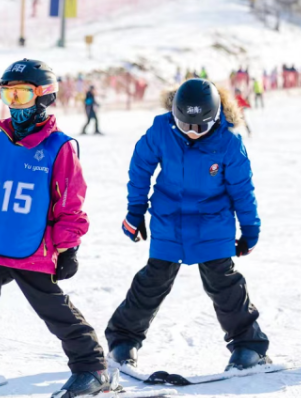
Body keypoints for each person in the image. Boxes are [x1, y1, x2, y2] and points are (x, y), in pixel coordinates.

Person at [0, 59, 107, 398]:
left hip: (32, 247)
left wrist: (68, 248)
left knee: (52, 309)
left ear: (44, 97)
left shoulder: (59, 147)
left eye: (22, 94)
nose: (14, 104)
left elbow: (71, 205)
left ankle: (92, 367)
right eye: (7, 94)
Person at [106, 79, 268, 373]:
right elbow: (140, 168)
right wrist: (135, 211)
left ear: (216, 117)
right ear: (174, 116)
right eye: (186, 125)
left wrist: (250, 229)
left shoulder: (229, 142)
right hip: (169, 219)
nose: (193, 132)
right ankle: (122, 342)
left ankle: (249, 346)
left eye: (201, 127)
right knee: (152, 282)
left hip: (212, 221)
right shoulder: (160, 131)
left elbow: (243, 189)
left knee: (224, 284)